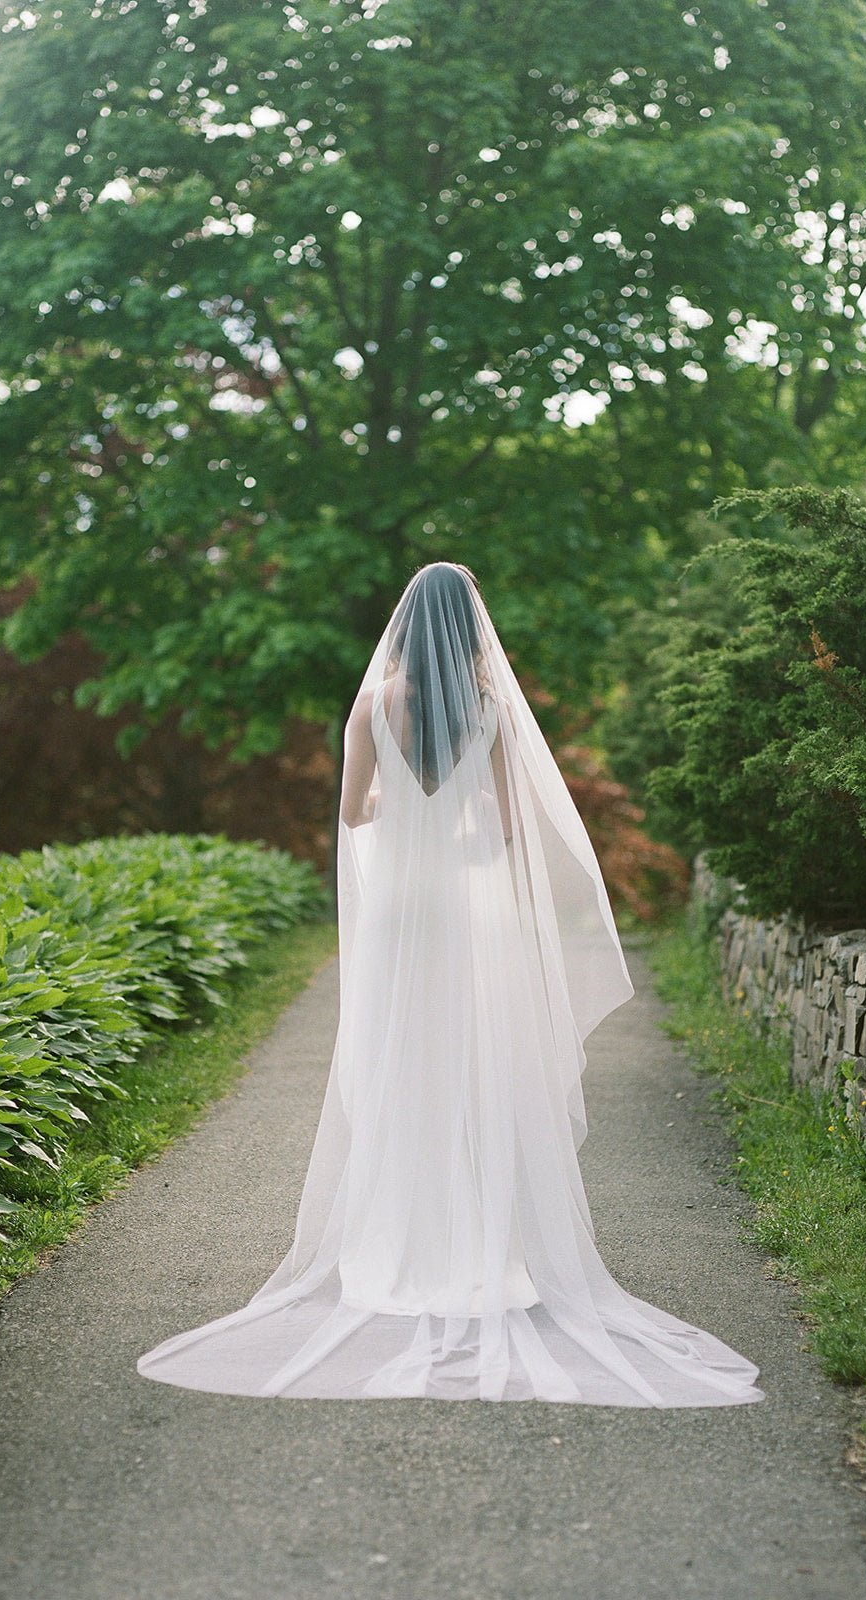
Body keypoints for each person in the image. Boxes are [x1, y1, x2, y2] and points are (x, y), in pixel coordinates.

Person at [137, 562, 764, 1406]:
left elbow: (354, 809)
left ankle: (399, 1248)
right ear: (471, 629)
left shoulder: (371, 705)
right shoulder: (495, 712)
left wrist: (401, 822)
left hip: (397, 913)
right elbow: (507, 829)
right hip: (462, 918)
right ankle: (476, 1251)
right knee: (467, 1070)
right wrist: (457, 844)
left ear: (403, 624)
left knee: (398, 1066)